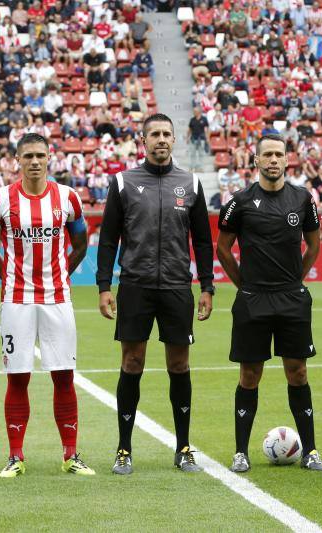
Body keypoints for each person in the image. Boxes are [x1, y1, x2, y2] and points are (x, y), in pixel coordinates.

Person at [96, 113, 214, 475]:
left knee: (179, 364)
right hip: (136, 285)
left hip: (178, 286)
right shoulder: (123, 182)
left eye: (167, 133)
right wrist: (104, 286)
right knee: (132, 363)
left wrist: (207, 285)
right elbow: (108, 239)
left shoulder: (190, 183)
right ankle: (123, 449)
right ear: (143, 140)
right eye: (155, 134)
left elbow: (203, 241)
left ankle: (183, 447)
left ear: (174, 139)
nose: (161, 139)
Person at [0, 133, 93, 478]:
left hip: (57, 298)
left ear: (50, 158)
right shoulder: (0, 200)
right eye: (27, 155)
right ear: (17, 160)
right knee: (18, 376)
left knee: (63, 375)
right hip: (16, 300)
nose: (34, 161)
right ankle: (16, 456)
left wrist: (60, 274)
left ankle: (71, 455)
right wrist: (9, 279)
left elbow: (80, 243)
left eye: (40, 155)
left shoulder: (68, 198)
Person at [216, 134, 322, 473]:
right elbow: (223, 249)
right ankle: (240, 453)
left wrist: (296, 279)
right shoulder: (240, 202)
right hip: (253, 300)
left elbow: (313, 244)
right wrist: (245, 285)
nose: (274, 160)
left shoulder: (302, 199)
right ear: (257, 160)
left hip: (291, 298)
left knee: (298, 372)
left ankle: (310, 451)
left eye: (279, 154)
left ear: (287, 159)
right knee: (250, 374)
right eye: (268, 155)